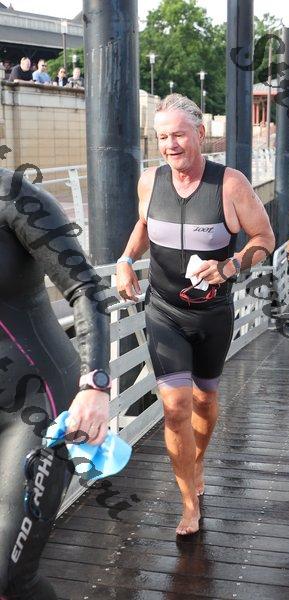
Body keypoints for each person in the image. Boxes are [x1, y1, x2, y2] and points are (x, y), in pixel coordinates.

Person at [116, 94, 275, 536]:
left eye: (179, 135)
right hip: (164, 311)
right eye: (162, 137)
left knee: (204, 399)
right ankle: (189, 503)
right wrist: (126, 260)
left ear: (200, 134)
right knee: (175, 407)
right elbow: (145, 225)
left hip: (212, 314)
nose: (170, 145)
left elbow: (264, 238)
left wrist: (230, 266)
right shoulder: (150, 181)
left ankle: (197, 461)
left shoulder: (230, 184)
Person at [0, 166, 111, 599]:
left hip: (37, 404)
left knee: (9, 577)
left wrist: (95, 385)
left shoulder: (16, 197)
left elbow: (86, 287)